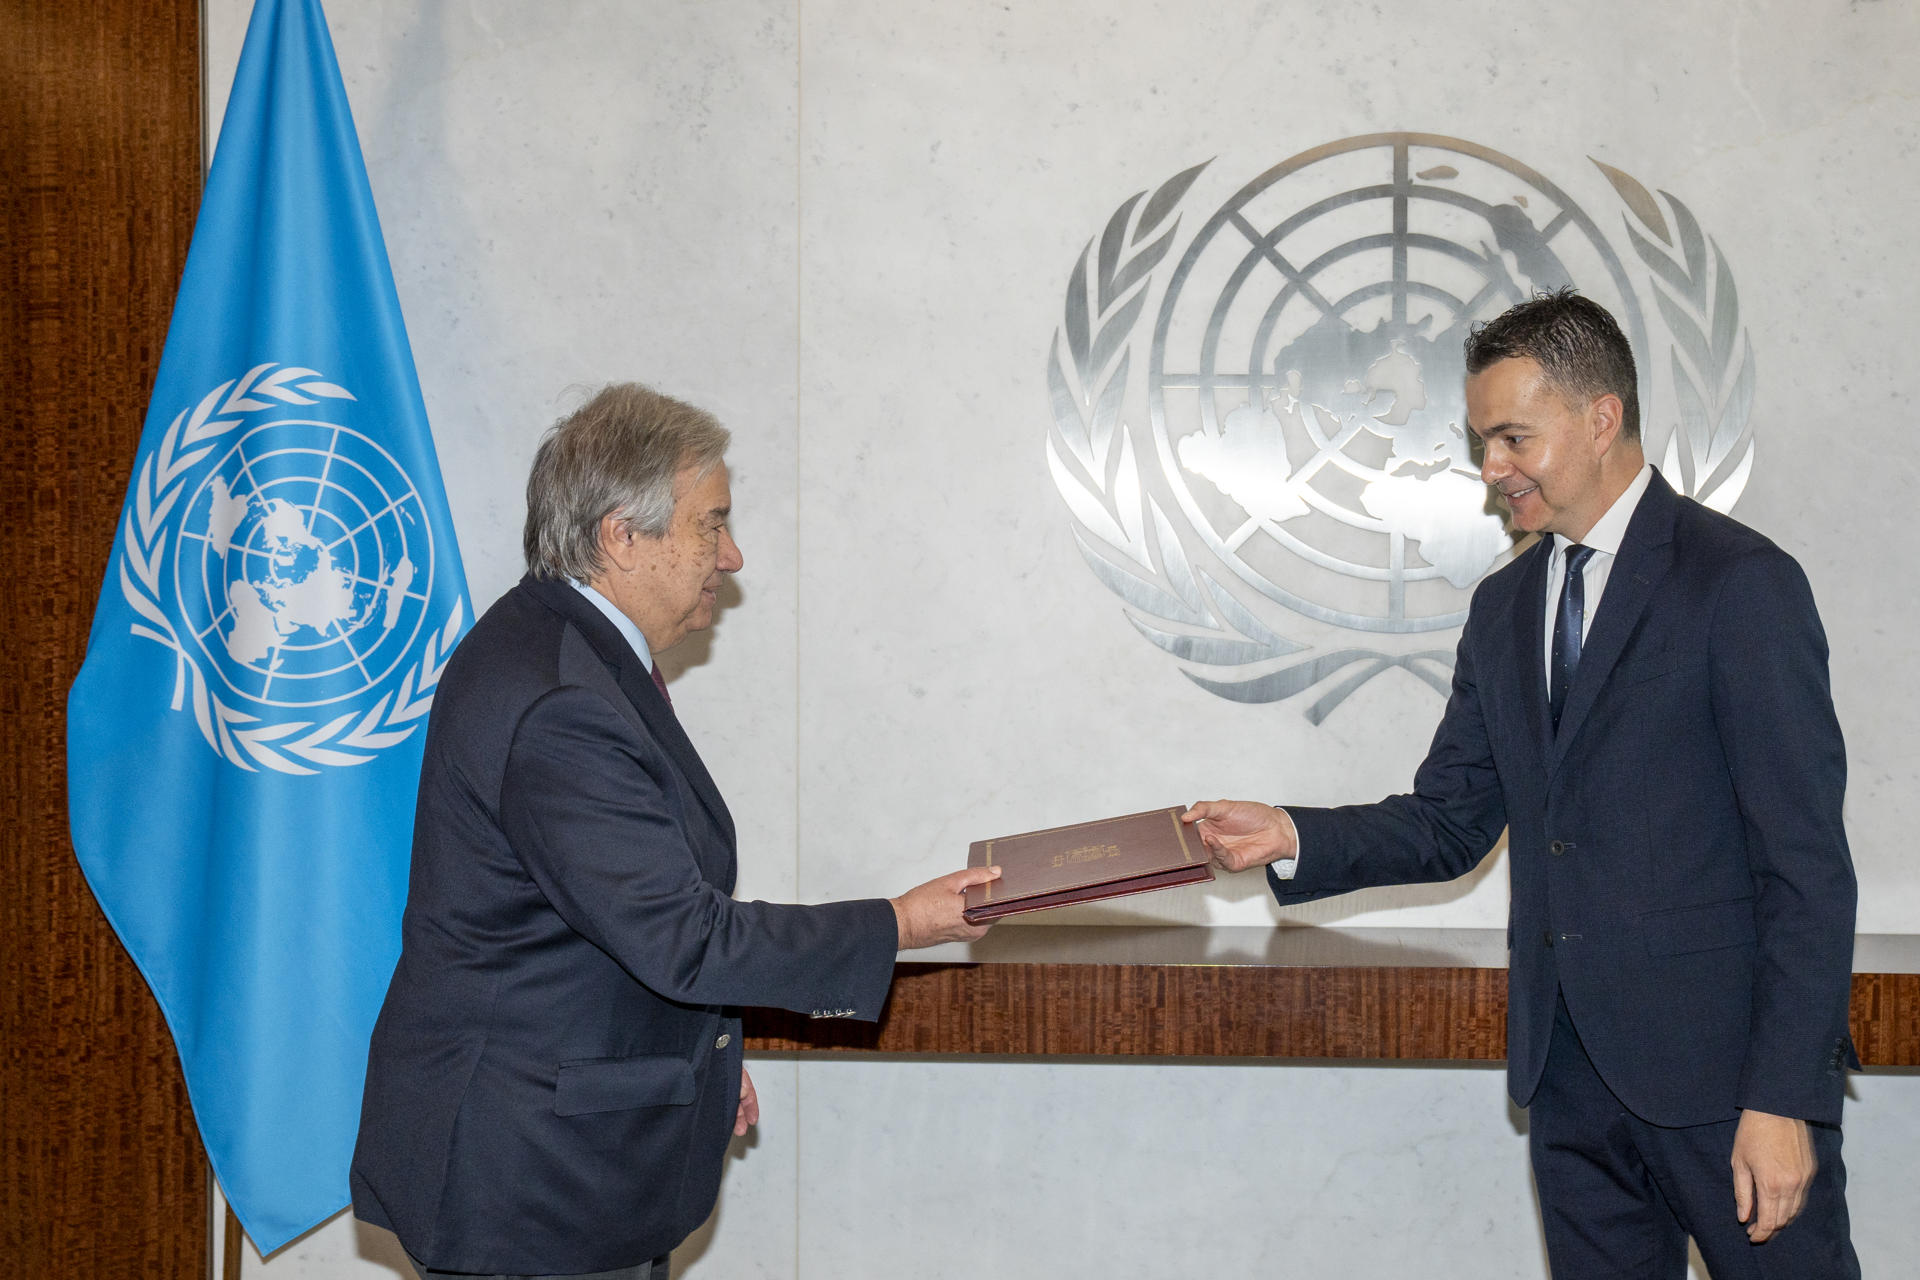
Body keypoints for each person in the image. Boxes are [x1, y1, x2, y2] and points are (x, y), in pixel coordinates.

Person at [1184, 290, 1859, 1278]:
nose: (1491, 469)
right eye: (1481, 441)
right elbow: (1452, 819)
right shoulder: (1502, 607)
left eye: (1511, 437)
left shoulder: (1740, 582)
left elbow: (1806, 866)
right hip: (1569, 1085)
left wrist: (1784, 1097)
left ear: (1601, 417)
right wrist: (1290, 831)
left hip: (1730, 1091)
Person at [350, 383, 997, 1279]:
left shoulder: (564, 648)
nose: (731, 555)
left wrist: (697, 1059)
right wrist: (903, 922)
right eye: (711, 524)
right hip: (531, 1184)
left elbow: (593, 926)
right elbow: (680, 935)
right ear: (622, 535)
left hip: (560, 1151)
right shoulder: (561, 698)